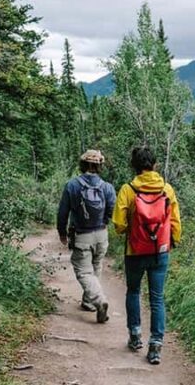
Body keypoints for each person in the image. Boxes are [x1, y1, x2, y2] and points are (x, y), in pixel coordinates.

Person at [112, 146, 181, 365]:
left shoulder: (128, 189)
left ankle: (135, 336)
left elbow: (119, 225)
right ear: (155, 164)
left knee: (133, 291)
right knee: (157, 298)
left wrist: (129, 230)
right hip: (160, 252)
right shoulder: (167, 190)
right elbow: (175, 223)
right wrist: (172, 241)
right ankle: (156, 346)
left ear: (134, 165)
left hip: (134, 251)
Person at [57, 149, 116, 324]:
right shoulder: (107, 187)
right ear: (99, 165)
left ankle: (98, 300)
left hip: (82, 234)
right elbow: (111, 210)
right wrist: (104, 222)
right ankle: (87, 301)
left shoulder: (72, 185)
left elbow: (63, 212)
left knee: (83, 271)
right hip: (101, 234)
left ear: (83, 164)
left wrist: (62, 232)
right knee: (96, 266)